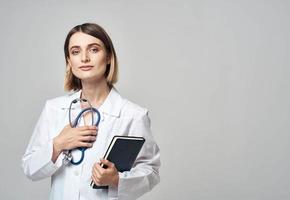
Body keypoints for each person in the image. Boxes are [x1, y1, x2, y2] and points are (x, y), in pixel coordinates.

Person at [21, 23, 160, 200]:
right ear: (69, 61)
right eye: (75, 51)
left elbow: (151, 172)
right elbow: (29, 168)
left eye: (94, 50)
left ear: (109, 57)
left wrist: (117, 179)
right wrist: (58, 144)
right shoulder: (54, 109)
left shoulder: (133, 115)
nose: (84, 58)